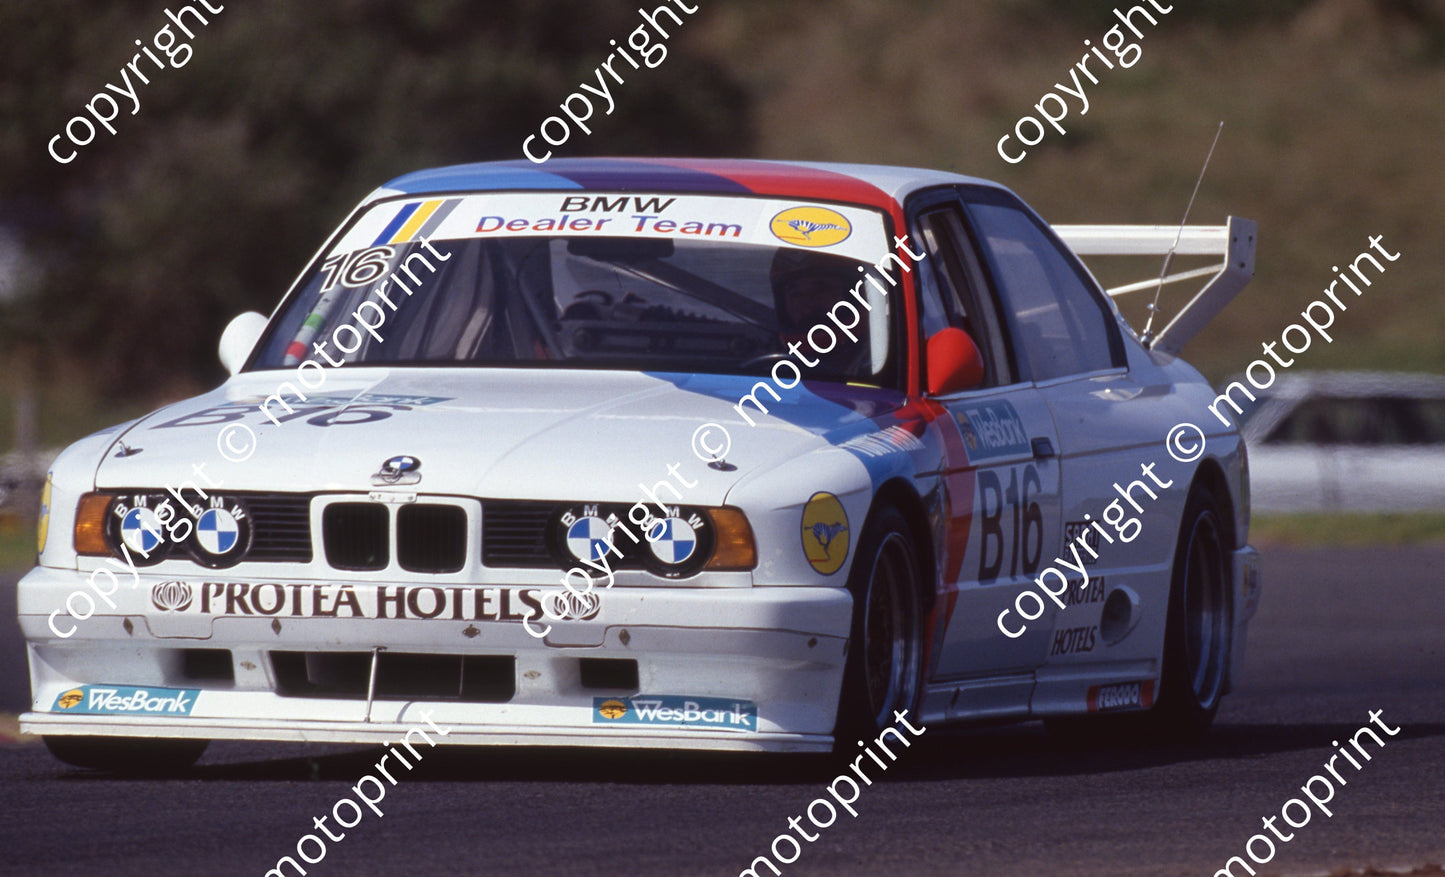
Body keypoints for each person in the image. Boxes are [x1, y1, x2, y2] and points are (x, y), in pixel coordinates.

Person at [768, 248, 869, 374]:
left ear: (851, 295)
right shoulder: (769, 359)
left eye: (821, 289)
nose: (806, 303)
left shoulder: (876, 359)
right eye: (795, 294)